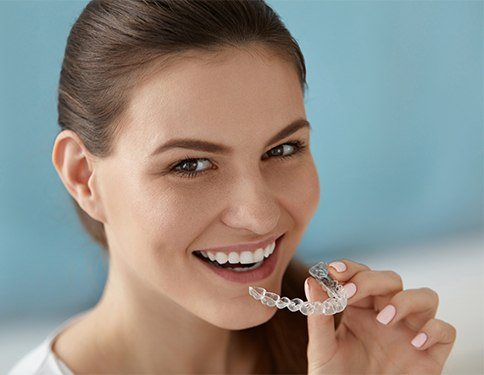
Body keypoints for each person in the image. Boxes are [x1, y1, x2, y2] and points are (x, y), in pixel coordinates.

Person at [8, 0, 456, 374]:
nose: (260, 215)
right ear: (83, 177)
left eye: (282, 150)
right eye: (191, 164)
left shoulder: (355, 354)